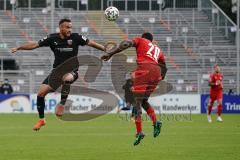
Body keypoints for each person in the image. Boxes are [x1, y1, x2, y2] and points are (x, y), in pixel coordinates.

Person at [11, 18, 106, 131]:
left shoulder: (76, 37)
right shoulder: (52, 38)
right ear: (61, 28)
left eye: (70, 27)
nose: (70, 30)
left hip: (72, 71)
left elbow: (91, 43)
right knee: (41, 93)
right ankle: (42, 120)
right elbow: (35, 45)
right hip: (56, 72)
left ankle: (62, 104)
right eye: (67, 27)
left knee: (67, 78)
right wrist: (19, 47)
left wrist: (105, 48)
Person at [101, 32, 167, 145]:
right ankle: (156, 122)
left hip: (145, 69)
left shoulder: (140, 40)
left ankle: (139, 132)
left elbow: (126, 44)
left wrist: (111, 53)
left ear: (143, 38)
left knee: (137, 102)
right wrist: (160, 77)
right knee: (144, 101)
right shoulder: (158, 50)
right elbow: (164, 66)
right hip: (156, 72)